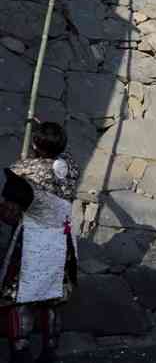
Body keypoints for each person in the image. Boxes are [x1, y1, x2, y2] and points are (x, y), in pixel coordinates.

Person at [2, 121, 80, 363]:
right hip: (61, 241)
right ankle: (50, 350)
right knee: (53, 297)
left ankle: (21, 350)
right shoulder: (70, 168)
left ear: (35, 144)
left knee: (19, 295)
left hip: (32, 241)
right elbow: (59, 155)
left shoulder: (21, 172)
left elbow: (9, 214)